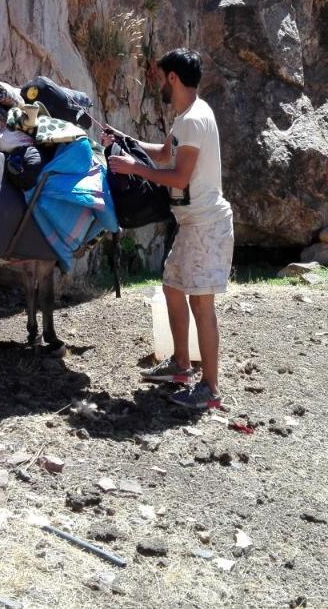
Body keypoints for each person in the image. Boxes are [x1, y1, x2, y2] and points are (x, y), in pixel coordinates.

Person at [101, 48, 233, 410]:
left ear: (172, 78)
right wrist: (127, 141)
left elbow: (178, 176)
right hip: (193, 223)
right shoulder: (188, 117)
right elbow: (163, 154)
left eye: (161, 77)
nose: (160, 84)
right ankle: (180, 365)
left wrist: (132, 169)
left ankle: (210, 388)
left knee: (202, 305)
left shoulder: (192, 120)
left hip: (206, 223)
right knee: (173, 287)